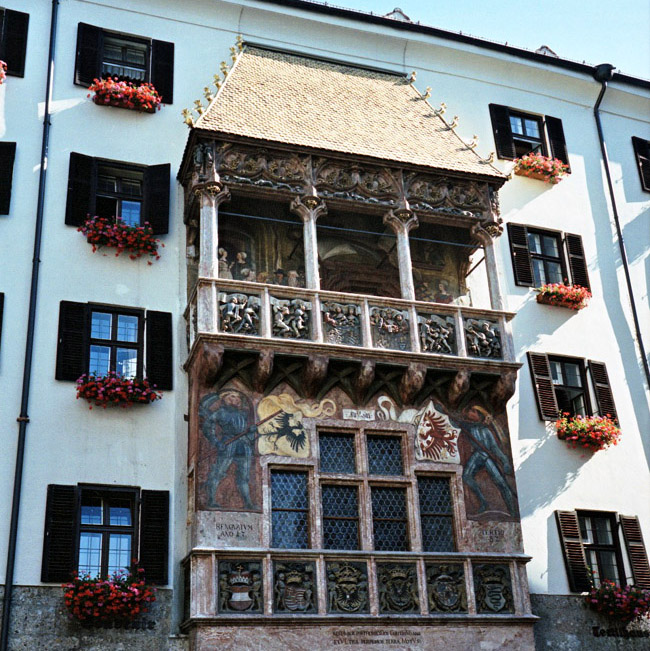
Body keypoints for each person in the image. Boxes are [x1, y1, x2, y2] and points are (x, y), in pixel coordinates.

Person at [199, 390, 257, 509]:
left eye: (237, 397)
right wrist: (216, 442)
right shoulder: (221, 413)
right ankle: (211, 500)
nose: (235, 399)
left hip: (243, 445)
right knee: (218, 472)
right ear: (225, 399)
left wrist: (251, 432)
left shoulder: (242, 414)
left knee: (244, 475)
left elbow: (248, 434)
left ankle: (248, 503)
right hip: (228, 444)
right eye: (232, 396)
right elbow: (207, 427)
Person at [458, 405, 516, 516]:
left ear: (479, 415)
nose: (470, 413)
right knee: (466, 476)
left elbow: (495, 448)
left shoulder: (486, 431)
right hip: (477, 455)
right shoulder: (468, 427)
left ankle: (512, 511)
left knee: (501, 483)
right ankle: (483, 501)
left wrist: (505, 462)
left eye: (473, 411)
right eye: (470, 411)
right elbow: (456, 422)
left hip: (487, 456)